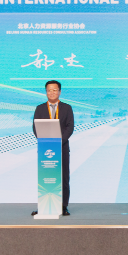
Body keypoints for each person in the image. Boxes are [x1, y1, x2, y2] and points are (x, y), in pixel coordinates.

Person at [32, 80, 74, 216]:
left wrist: (59, 142)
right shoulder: (40, 108)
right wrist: (46, 142)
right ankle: (44, 205)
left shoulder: (67, 108)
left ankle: (63, 206)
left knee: (63, 177)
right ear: (46, 92)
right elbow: (35, 127)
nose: (52, 92)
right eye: (49, 90)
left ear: (59, 92)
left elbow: (70, 127)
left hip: (62, 148)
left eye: (54, 90)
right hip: (45, 149)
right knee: (46, 177)